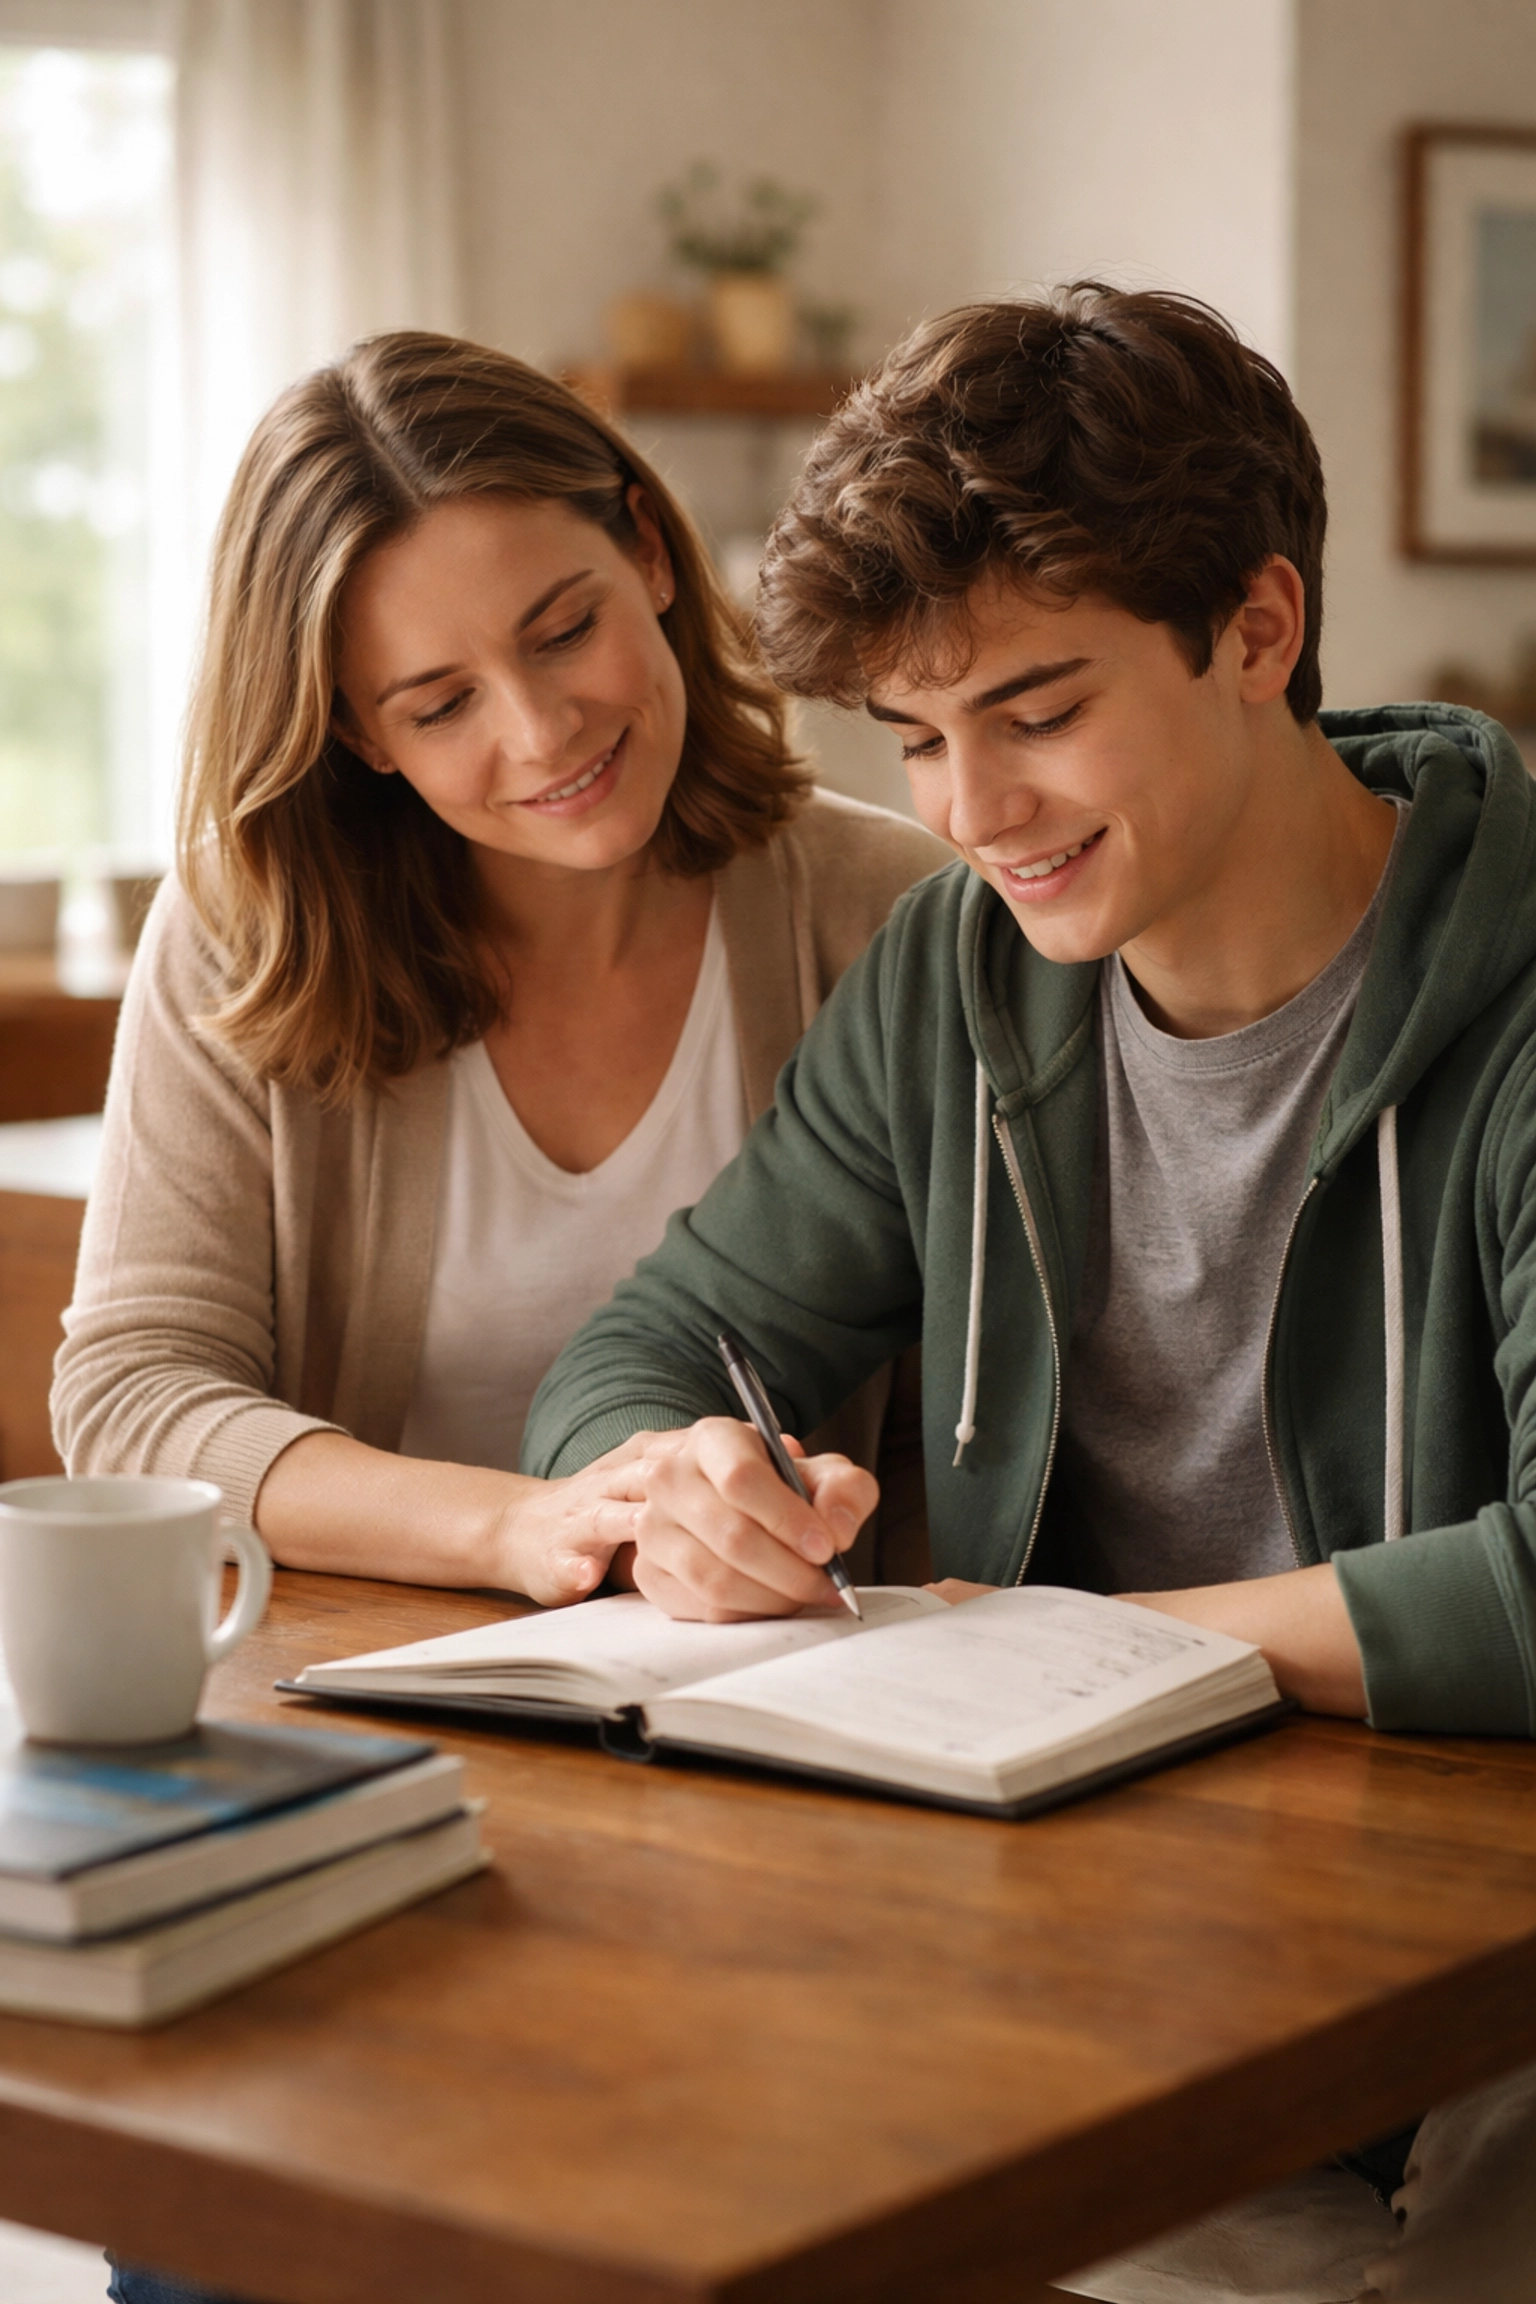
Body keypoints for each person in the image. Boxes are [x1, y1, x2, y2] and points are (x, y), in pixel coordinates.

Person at [521, 288, 1536, 2302]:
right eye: (914, 737)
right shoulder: (952, 983)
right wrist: (686, 1478)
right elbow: (647, 1351)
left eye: (1040, 711)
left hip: (1466, 1980)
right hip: (1086, 1932)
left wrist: (1103, 1644)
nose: (970, 815)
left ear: (1258, 630)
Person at [77, 336, 943, 2304]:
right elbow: (130, 1391)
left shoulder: (884, 913)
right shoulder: (249, 930)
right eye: (437, 700)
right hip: (342, 1813)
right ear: (357, 734)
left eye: (564, 627)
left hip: (790, 1820)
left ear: (648, 547)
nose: (543, 727)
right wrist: (525, 1526)